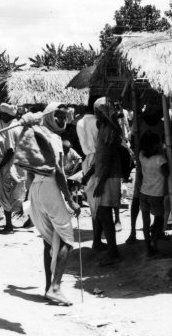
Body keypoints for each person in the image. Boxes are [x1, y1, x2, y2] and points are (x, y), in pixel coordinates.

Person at [20, 102, 81, 305]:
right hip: (48, 186)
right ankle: (55, 287)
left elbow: (29, 169)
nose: (62, 120)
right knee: (66, 239)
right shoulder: (53, 138)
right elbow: (58, 171)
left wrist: (31, 196)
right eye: (58, 116)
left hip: (36, 188)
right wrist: (71, 200)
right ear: (48, 117)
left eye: (64, 117)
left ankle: (49, 288)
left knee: (49, 240)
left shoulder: (36, 134)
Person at [82, 98, 124, 265]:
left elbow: (107, 159)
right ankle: (112, 251)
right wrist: (89, 173)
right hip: (104, 174)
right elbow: (101, 157)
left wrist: (99, 183)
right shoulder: (105, 128)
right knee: (102, 213)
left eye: (99, 112)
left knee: (104, 213)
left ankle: (113, 252)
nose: (96, 114)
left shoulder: (110, 130)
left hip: (109, 176)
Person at [0, 103, 25, 232]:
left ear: (6, 115)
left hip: (11, 167)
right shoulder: (21, 126)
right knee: (18, 195)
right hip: (22, 167)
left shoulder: (11, 128)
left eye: (2, 114)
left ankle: (9, 224)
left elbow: (10, 151)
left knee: (6, 195)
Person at [76, 99, 105, 250]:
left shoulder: (79, 122)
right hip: (97, 161)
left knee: (94, 202)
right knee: (99, 203)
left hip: (87, 160)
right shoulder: (98, 122)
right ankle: (97, 241)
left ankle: (97, 239)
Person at [138, 132, 169, 256]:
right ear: (156, 146)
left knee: (146, 222)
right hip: (155, 195)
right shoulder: (160, 159)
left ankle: (147, 247)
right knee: (159, 220)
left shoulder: (141, 156)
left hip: (143, 193)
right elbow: (166, 174)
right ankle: (154, 242)